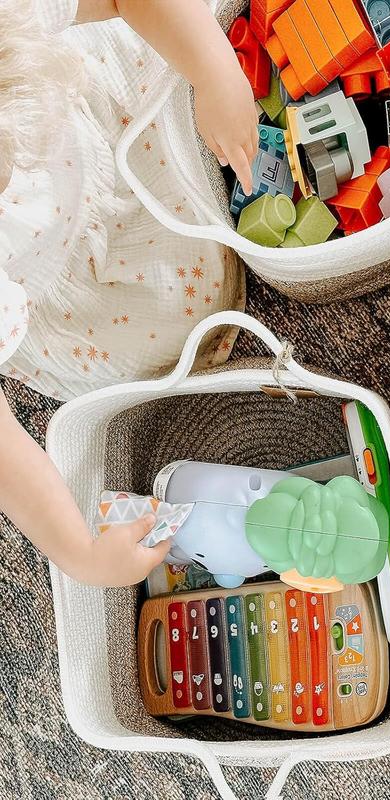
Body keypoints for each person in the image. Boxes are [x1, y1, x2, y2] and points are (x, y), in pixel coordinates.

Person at [0, 0, 259, 585]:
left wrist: (215, 69)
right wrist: (77, 552)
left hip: (86, 117)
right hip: (47, 270)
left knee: (197, 62)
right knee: (168, 341)